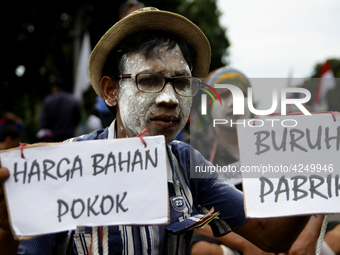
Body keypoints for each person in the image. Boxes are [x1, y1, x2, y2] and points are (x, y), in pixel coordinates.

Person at [0, 7, 311, 254]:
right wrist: (5, 230)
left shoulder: (188, 164)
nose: (170, 99)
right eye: (148, 80)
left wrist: (316, 178)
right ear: (111, 91)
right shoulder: (62, 167)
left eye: (180, 83)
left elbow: (271, 238)